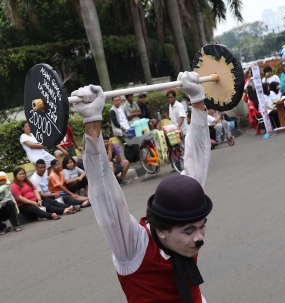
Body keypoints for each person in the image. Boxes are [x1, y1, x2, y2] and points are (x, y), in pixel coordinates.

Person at [70, 71, 211, 303]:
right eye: (189, 231)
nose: (199, 238)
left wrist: (197, 101)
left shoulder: (186, 216)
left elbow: (197, 163)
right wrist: (92, 122)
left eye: (201, 227)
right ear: (163, 230)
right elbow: (106, 198)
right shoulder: (133, 248)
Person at [10, 168, 76, 221]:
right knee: (35, 209)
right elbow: (19, 198)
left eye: (23, 173)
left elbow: (35, 190)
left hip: (35, 200)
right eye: (20, 174)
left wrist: (39, 199)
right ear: (15, 176)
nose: (22, 175)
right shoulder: (14, 186)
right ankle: (52, 215)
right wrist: (32, 202)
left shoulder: (28, 182)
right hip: (24, 205)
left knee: (48, 204)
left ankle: (66, 208)